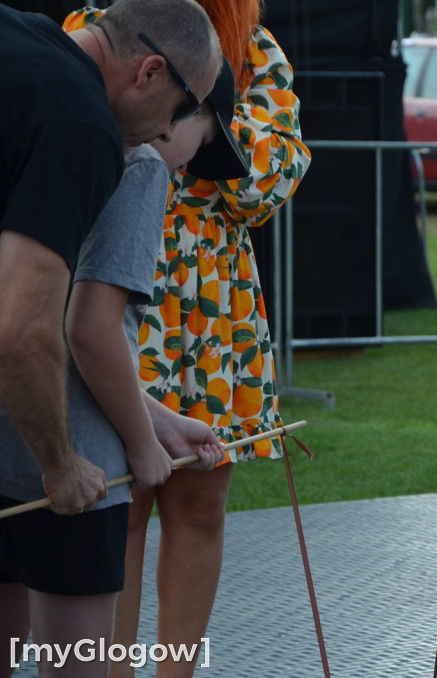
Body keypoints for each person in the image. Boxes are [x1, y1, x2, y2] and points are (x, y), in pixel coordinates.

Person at [64, 3, 311, 676]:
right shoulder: (101, 22)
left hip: (215, 305)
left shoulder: (256, 50)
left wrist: (186, 131)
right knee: (121, 500)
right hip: (114, 271)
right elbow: (75, 138)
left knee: (202, 496)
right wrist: (207, 134)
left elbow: (268, 181)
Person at [0, 2, 222, 676]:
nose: (168, 131)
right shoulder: (86, 125)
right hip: (54, 455)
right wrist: (64, 462)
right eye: (183, 109)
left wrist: (153, 420)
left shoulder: (27, 43)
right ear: (150, 71)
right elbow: (30, 328)